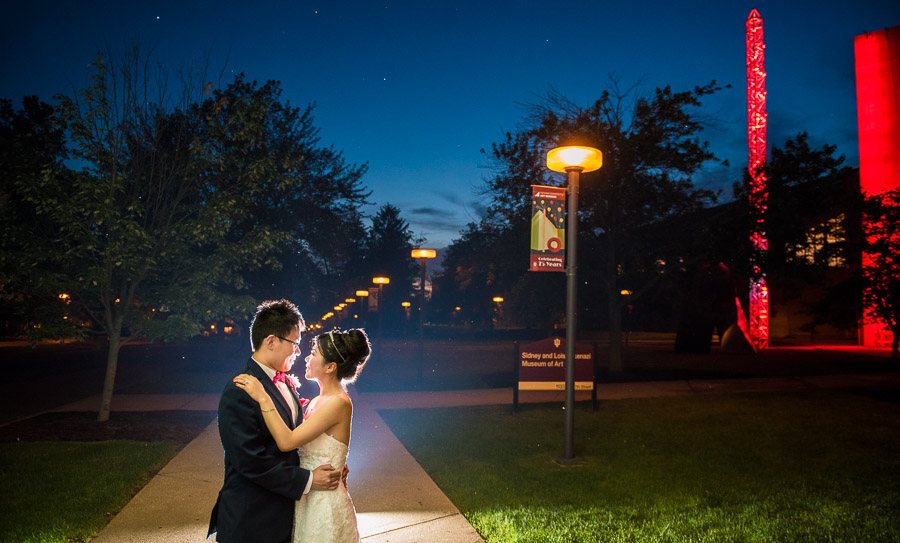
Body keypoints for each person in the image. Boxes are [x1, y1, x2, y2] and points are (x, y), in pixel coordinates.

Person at [208, 299, 343, 543]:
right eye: (295, 343)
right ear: (271, 341)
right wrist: (310, 480)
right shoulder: (241, 389)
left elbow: (299, 436)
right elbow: (250, 461)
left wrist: (331, 462)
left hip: (283, 517)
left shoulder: (284, 383)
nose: (299, 352)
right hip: (252, 522)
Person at [233, 328, 371, 543]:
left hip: (325, 504)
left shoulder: (336, 402)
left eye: (314, 353)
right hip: (308, 497)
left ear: (330, 367)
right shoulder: (317, 401)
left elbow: (287, 442)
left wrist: (263, 398)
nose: (307, 357)